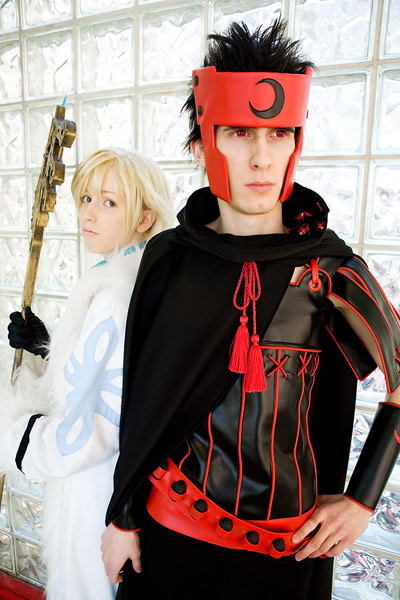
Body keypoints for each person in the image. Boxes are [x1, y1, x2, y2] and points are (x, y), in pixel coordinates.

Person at [101, 21, 400, 600]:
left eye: (279, 132)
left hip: (283, 558)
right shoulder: (168, 261)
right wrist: (122, 518)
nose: (262, 157)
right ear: (201, 145)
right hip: (171, 539)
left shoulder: (329, 269)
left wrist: (363, 500)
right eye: (239, 132)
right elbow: (143, 405)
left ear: (295, 142)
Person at [0, 148, 174, 600]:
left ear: (145, 218)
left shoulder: (116, 294)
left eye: (109, 202)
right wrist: (46, 347)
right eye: (86, 198)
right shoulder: (132, 276)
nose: (89, 214)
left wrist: (13, 434)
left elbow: (90, 429)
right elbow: (97, 381)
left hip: (95, 484)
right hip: (111, 480)